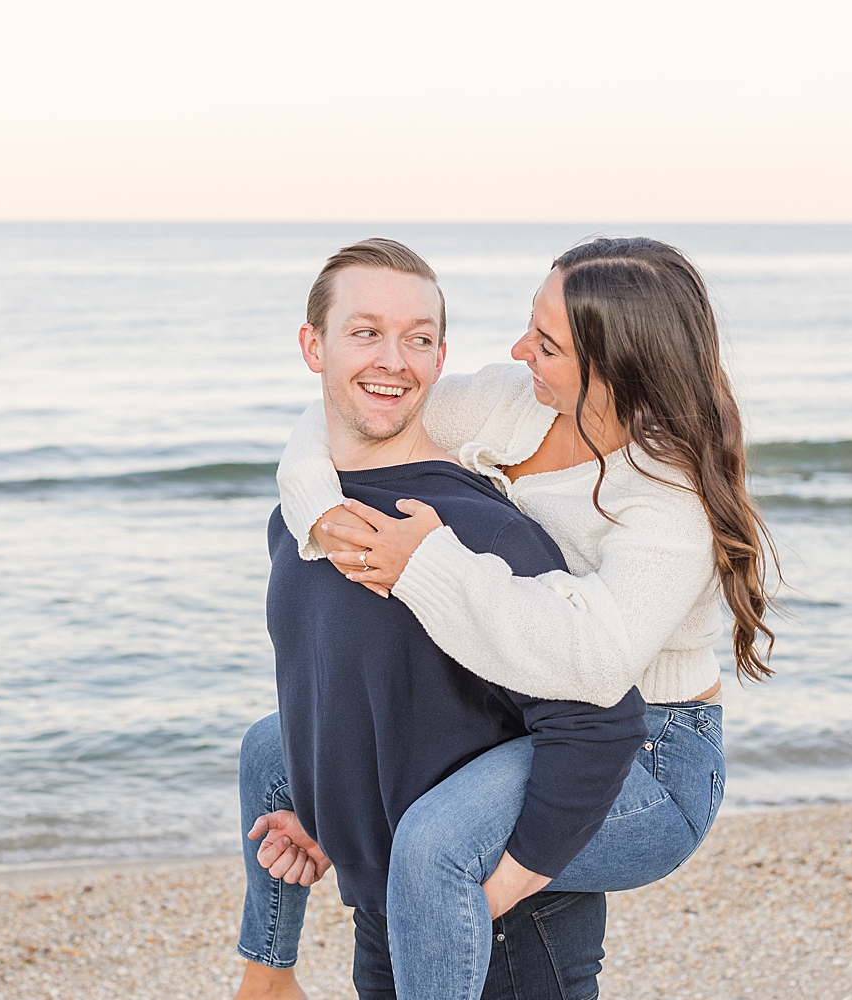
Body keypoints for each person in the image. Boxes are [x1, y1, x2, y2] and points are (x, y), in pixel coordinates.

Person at [254, 236, 780, 1000]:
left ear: (615, 364)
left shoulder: (667, 496)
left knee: (433, 847)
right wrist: (318, 514)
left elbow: (596, 666)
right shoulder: (514, 399)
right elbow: (352, 406)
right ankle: (267, 973)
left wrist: (499, 886)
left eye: (547, 343)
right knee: (275, 745)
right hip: (527, 712)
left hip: (647, 752)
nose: (517, 348)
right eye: (530, 325)